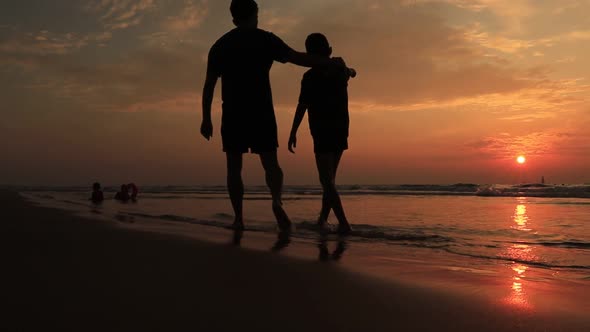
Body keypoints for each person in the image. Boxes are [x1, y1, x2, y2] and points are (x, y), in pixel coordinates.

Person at [200, 0, 351, 232]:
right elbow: (297, 58)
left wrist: (206, 118)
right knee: (271, 165)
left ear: (233, 18)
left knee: (233, 167)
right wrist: (327, 61)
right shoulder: (265, 39)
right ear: (256, 14)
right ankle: (276, 201)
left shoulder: (220, 46)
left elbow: (209, 85)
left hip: (233, 112)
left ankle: (239, 218)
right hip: (261, 111)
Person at [288, 33, 353, 235]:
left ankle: (343, 224)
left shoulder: (310, 77)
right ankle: (322, 220)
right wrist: (348, 68)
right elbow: (352, 72)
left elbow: (302, 106)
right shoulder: (340, 69)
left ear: (308, 55)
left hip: (322, 129)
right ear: (329, 50)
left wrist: (293, 131)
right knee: (329, 179)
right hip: (341, 128)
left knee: (327, 181)